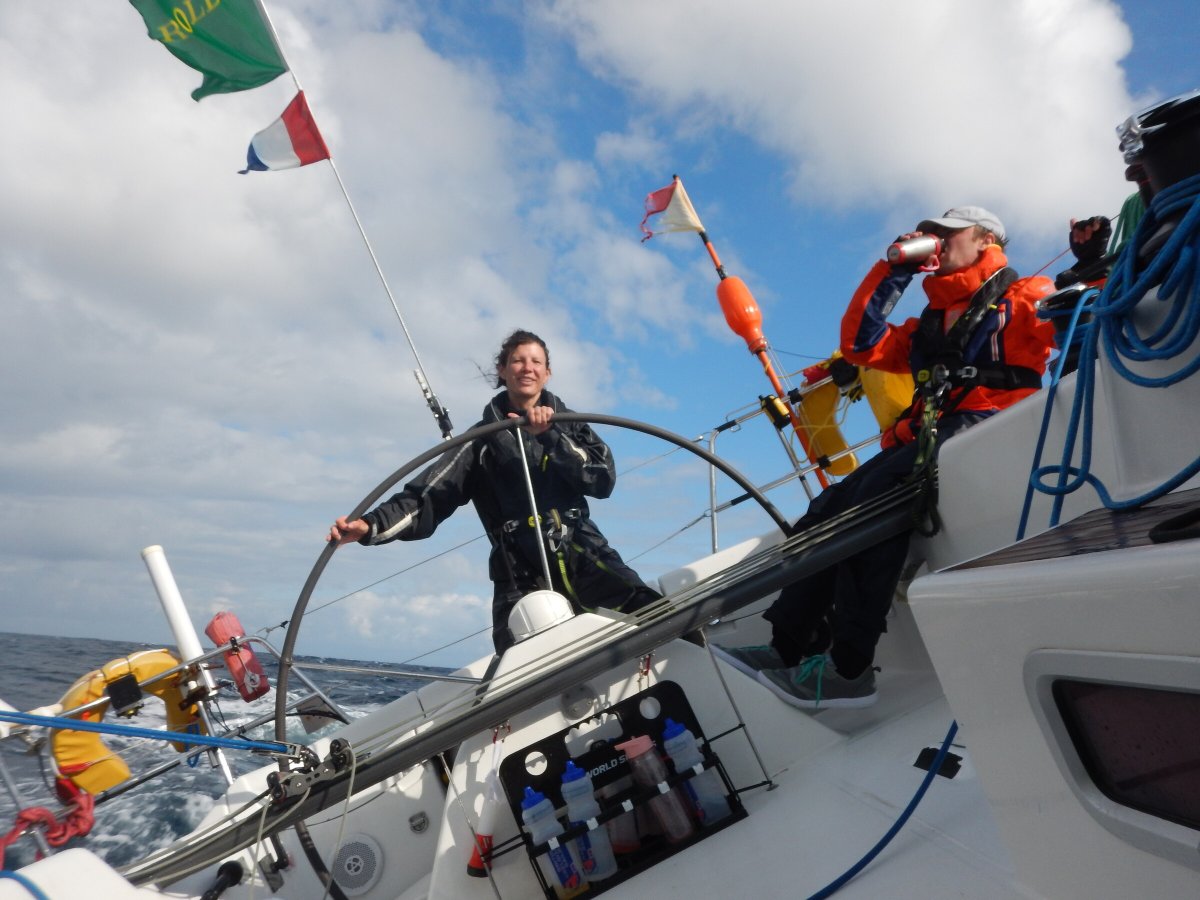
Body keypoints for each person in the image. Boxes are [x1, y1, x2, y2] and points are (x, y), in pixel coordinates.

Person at [715, 206, 1057, 709]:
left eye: (948, 233)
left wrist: (1092, 271)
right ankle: (789, 647)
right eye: (931, 234)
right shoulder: (929, 324)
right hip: (924, 435)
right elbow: (859, 345)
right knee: (826, 508)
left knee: (870, 503)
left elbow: (1076, 321)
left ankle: (850, 670)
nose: (936, 240)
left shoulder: (1025, 296)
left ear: (986, 239)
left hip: (986, 428)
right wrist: (893, 271)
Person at [328, 329, 660, 654]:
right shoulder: (480, 442)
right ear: (502, 370)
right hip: (518, 570)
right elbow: (427, 495)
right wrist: (369, 527)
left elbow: (602, 479)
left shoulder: (570, 425)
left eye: (535, 361)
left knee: (654, 611)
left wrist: (551, 436)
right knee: (516, 661)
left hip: (583, 551)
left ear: (547, 373)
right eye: (517, 360)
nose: (527, 367)